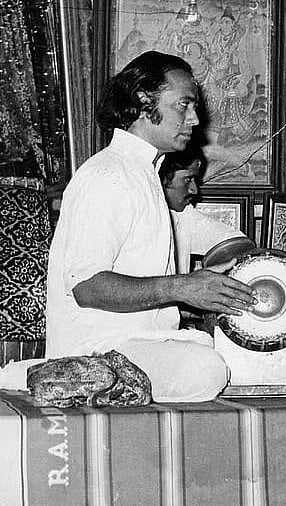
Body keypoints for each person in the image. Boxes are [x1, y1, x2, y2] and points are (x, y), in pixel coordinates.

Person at [45, 51, 257, 402]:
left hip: (136, 347)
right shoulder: (107, 175)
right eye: (183, 105)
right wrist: (181, 287)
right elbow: (86, 287)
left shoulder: (144, 174)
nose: (194, 119)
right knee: (206, 369)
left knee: (236, 358)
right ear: (144, 102)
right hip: (93, 354)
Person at [158, 145, 253, 275]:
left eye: (194, 180)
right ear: (161, 179)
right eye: (187, 179)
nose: (194, 190)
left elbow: (236, 243)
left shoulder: (183, 215)